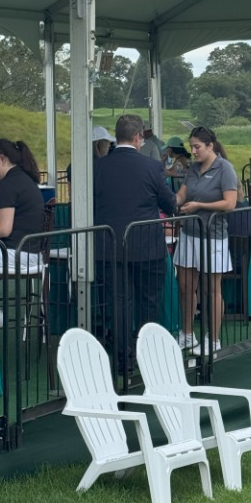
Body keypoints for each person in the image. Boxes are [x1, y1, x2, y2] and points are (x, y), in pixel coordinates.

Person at [93, 114, 178, 368]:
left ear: (116, 137)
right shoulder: (151, 168)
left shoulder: (98, 167)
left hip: (108, 246)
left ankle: (122, 358)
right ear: (139, 138)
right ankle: (148, 356)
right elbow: (169, 203)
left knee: (117, 302)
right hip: (146, 246)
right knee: (149, 302)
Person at [174, 126, 238, 355]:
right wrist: (171, 201)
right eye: (191, 147)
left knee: (212, 289)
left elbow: (230, 203)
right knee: (185, 286)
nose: (193, 151)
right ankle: (187, 334)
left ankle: (214, 339)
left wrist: (200, 206)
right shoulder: (193, 168)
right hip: (188, 233)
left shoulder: (225, 169)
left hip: (213, 237)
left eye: (197, 147)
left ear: (210, 146)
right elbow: (182, 193)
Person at [0, 139, 46, 275]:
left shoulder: (8, 185)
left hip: (15, 254)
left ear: (2, 159)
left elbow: (3, 230)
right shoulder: (26, 179)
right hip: (33, 253)